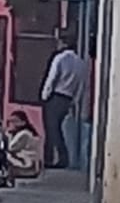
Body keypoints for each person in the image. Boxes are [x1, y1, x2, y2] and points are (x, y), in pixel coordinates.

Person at [40, 31, 87, 170]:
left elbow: (52, 78)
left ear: (63, 43)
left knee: (51, 129)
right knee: (57, 127)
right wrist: (75, 100)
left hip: (56, 96)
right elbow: (81, 84)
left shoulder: (60, 58)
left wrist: (45, 95)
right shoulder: (80, 63)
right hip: (68, 98)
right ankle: (58, 158)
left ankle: (55, 158)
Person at [6, 110, 42, 180]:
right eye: (10, 121)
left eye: (15, 121)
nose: (12, 124)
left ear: (23, 122)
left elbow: (11, 148)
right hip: (26, 164)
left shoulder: (25, 134)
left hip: (27, 166)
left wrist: (8, 136)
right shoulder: (21, 133)